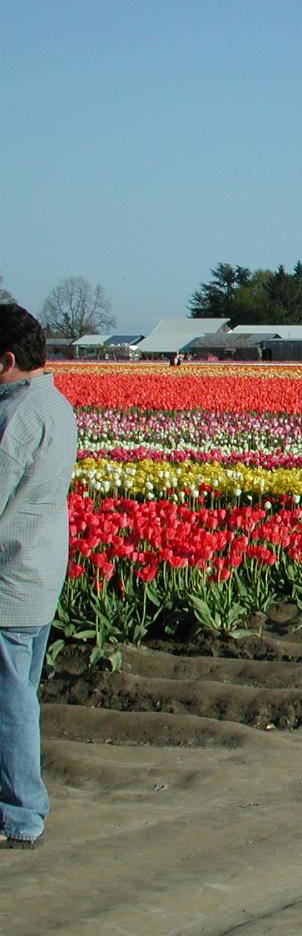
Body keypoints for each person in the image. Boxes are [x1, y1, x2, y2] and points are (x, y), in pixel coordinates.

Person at [0, 303, 78, 849]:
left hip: (9, 579)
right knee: (20, 694)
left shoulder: (17, 415)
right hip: (42, 571)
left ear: (5, 360)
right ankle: (22, 807)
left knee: (10, 704)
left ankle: (21, 814)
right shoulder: (58, 404)